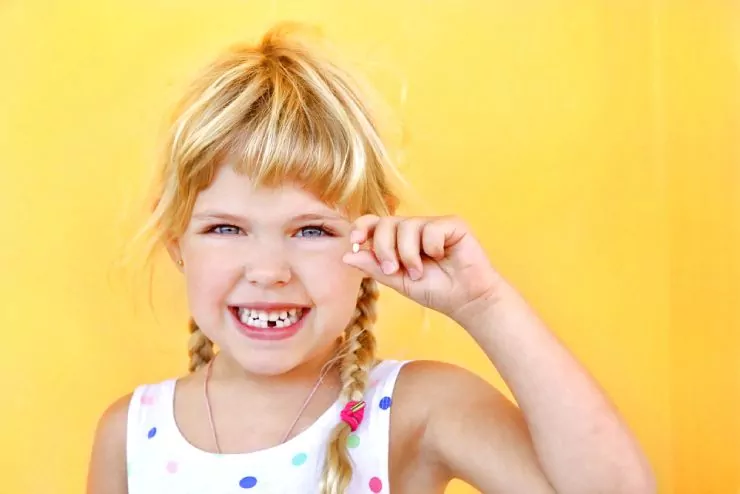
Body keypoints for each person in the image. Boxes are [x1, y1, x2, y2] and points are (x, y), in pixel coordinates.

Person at [86, 23, 655, 494]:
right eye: (226, 228)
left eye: (311, 229)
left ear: (371, 233)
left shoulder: (416, 409)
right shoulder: (130, 434)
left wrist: (486, 304)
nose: (268, 270)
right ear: (175, 240)